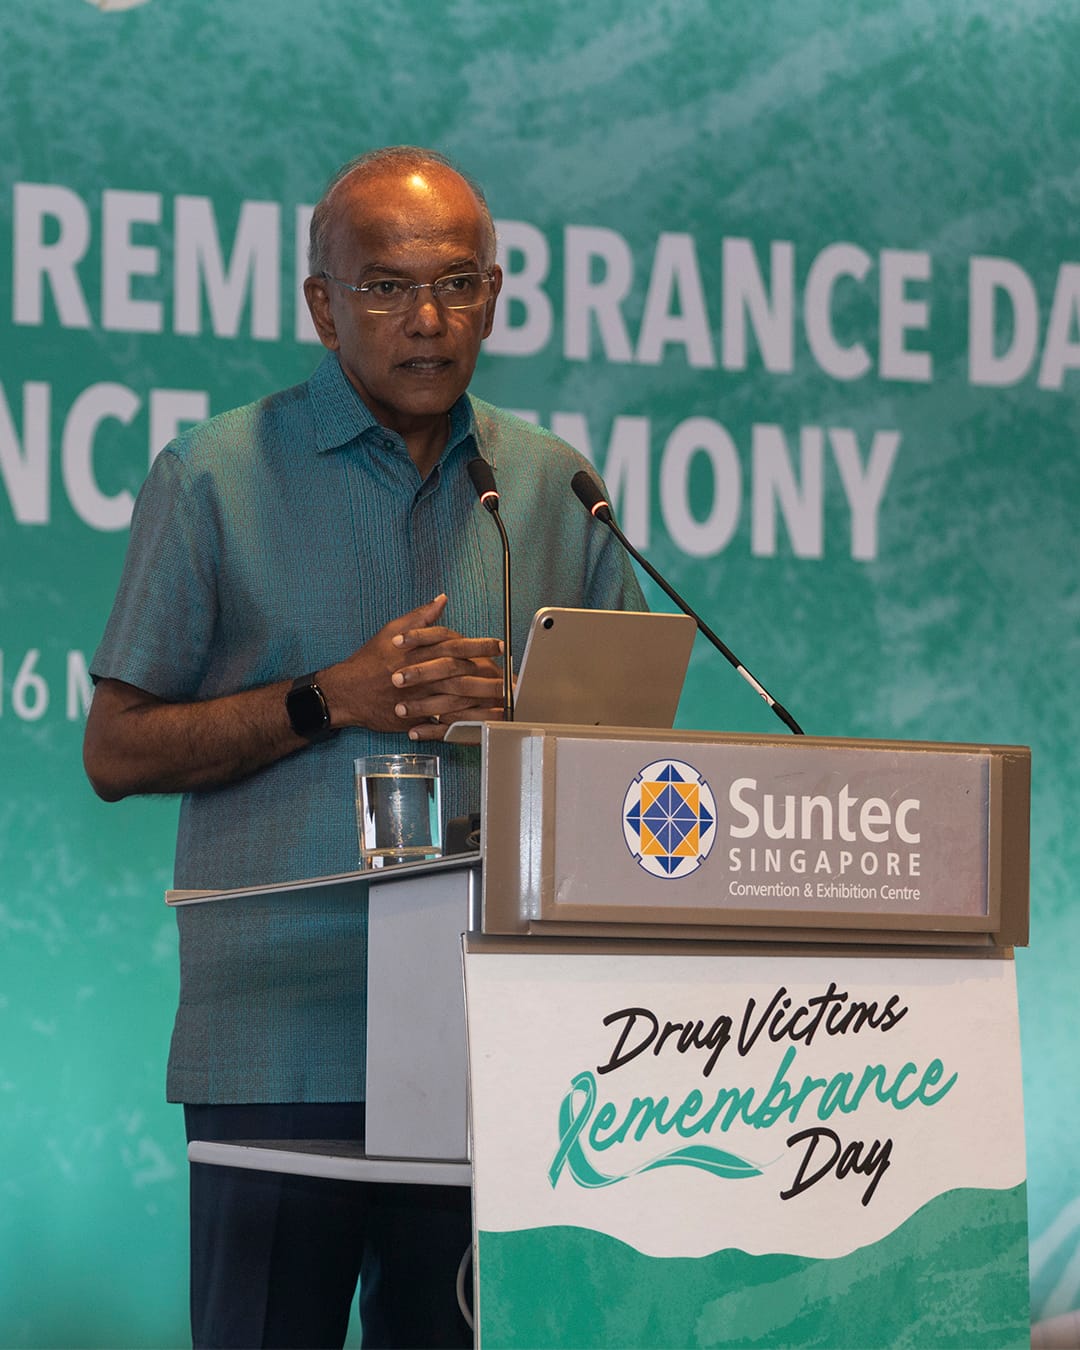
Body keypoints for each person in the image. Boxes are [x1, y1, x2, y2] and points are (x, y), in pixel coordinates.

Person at [83, 146, 645, 1349]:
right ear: (321, 306)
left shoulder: (557, 488)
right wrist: (327, 700)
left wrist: (527, 729)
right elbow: (116, 751)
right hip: (287, 1039)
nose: (429, 320)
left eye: (458, 284)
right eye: (386, 288)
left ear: (495, 294)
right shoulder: (214, 477)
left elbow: (626, 776)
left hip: (496, 1033)